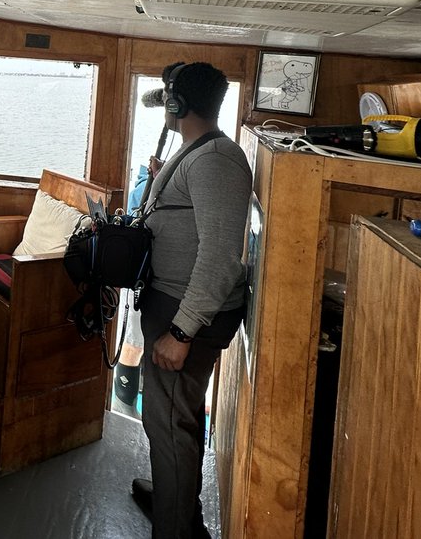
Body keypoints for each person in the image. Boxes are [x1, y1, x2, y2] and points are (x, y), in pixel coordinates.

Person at [129, 61, 251, 539]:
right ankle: (172, 495)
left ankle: (176, 526)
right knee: (172, 418)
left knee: (170, 425)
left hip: (186, 314)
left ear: (178, 104)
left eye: (167, 97)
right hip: (173, 301)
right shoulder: (195, 152)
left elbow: (221, 255)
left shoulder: (216, 160)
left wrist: (182, 332)